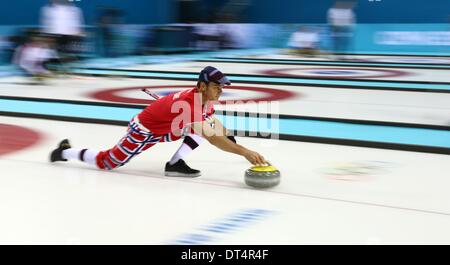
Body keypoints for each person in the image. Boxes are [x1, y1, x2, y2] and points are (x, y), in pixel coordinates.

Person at [49, 66, 267, 176]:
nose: (220, 90)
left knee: (201, 127)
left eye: (222, 87)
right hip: (143, 131)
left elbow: (215, 125)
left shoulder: (205, 99)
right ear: (202, 86)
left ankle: (174, 164)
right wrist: (244, 152)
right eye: (216, 86)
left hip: (167, 128)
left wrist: (237, 145)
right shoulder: (190, 105)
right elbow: (213, 138)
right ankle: (64, 151)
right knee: (108, 162)